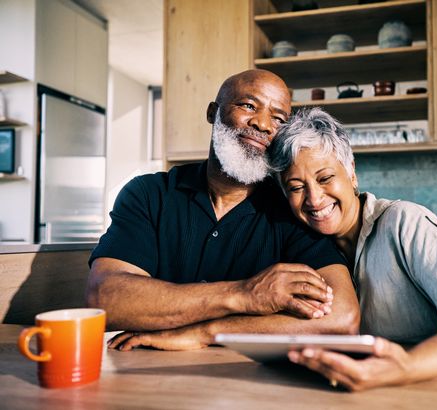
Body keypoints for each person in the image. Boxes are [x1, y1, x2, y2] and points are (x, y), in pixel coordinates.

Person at [86, 70, 359, 351]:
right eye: (248, 106)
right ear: (213, 113)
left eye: (278, 119)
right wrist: (244, 294)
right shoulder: (148, 194)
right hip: (142, 376)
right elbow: (105, 298)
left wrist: (208, 332)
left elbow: (342, 317)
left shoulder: (291, 209)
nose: (263, 124)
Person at [268, 107, 437, 391]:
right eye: (296, 187)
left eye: (325, 178)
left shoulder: (403, 222)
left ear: (352, 174)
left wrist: (404, 368)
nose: (313, 198)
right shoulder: (306, 251)